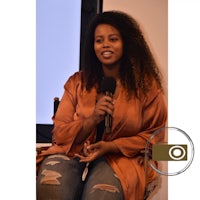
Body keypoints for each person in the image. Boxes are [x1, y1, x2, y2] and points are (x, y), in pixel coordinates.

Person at [36, 10, 167, 200]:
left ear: (126, 43)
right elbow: (59, 133)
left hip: (123, 158)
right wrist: (91, 120)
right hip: (74, 152)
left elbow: (155, 138)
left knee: (101, 194)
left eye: (113, 39)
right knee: (52, 187)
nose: (105, 44)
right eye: (99, 40)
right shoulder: (77, 83)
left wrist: (112, 146)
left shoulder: (146, 87)